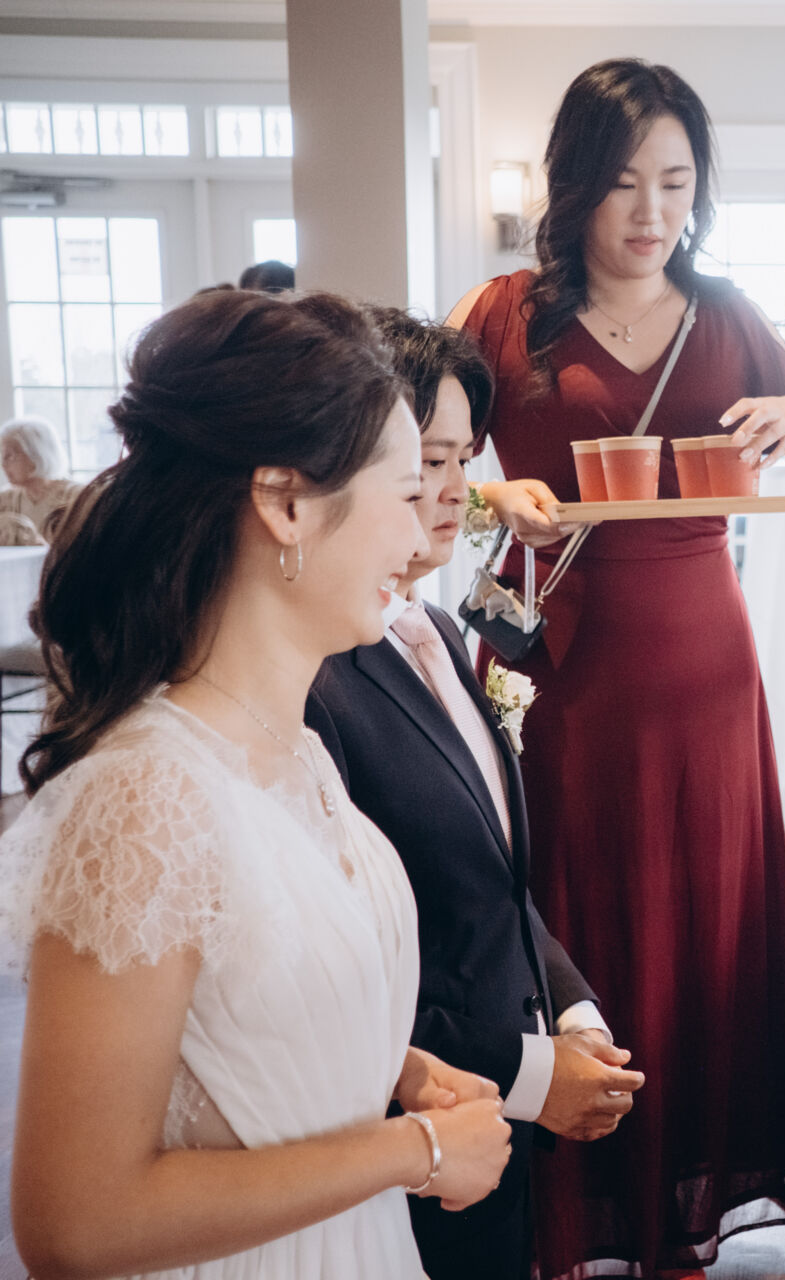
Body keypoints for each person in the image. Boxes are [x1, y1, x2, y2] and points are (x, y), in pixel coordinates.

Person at [2, 288, 513, 1279]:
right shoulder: (146, 800)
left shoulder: (295, 751)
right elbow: (75, 1222)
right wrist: (411, 1150)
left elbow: (240, 1008)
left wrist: (397, 1067)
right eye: (403, 491)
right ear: (285, 503)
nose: (417, 540)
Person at [446, 58, 785, 1277]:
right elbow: (415, 456)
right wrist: (494, 496)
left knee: (704, 926)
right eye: (625, 182)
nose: (652, 211)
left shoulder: (727, 312)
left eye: (676, 182)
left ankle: (681, 1206)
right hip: (557, 663)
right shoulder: (505, 313)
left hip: (704, 669)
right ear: (575, 184)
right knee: (570, 914)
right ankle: (572, 1208)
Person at [305, 307, 646, 1280]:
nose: (460, 490)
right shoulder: (316, 680)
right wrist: (530, 1075)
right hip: (405, 1127)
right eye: (429, 463)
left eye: (466, 458)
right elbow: (340, 972)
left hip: (497, 1104)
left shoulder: (442, 636)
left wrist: (570, 1012)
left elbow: (492, 878)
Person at [0, 414, 82, 541]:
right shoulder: (6, 499)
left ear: (36, 454)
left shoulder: (77, 496)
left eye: (9, 456)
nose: (3, 465)